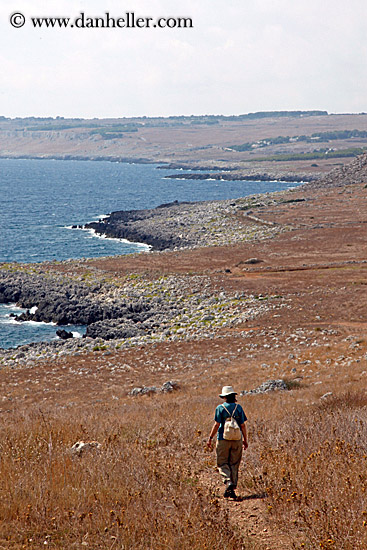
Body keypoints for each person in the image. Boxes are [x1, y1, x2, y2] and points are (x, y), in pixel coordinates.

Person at [207, 385, 248, 499]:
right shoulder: (238, 408)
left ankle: (228, 481)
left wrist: (210, 438)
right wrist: (245, 439)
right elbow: (243, 425)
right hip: (237, 439)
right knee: (234, 464)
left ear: (224, 397)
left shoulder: (220, 408)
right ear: (233, 396)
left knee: (222, 462)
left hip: (223, 439)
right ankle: (232, 489)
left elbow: (217, 425)